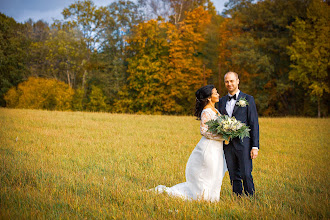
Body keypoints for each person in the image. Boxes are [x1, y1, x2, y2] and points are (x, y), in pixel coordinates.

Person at [152, 85, 227, 201]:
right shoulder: (206, 111)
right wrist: (222, 137)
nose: (218, 94)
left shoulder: (215, 110)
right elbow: (204, 131)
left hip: (217, 148)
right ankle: (203, 197)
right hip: (209, 147)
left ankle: (213, 198)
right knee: (209, 172)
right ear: (208, 97)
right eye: (215, 93)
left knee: (216, 172)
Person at [217, 72, 259, 196]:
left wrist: (255, 147)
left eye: (232, 81)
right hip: (228, 144)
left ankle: (250, 198)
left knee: (246, 173)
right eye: (227, 82)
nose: (229, 84)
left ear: (237, 81)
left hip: (244, 143)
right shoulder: (221, 101)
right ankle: (237, 198)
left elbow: (254, 123)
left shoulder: (248, 99)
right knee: (233, 173)